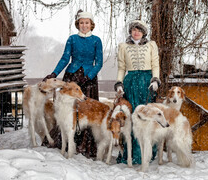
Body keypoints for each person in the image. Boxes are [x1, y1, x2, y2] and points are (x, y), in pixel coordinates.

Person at [43, 10, 103, 158]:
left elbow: (99, 63)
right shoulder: (72, 39)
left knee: (86, 111)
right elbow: (65, 58)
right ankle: (65, 142)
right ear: (78, 24)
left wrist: (89, 76)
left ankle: (85, 146)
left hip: (89, 79)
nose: (84, 25)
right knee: (65, 111)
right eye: (81, 23)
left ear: (91, 24)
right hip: (72, 77)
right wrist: (54, 74)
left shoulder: (96, 40)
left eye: (87, 23)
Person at [114, 20, 161, 164]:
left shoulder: (151, 45)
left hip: (146, 83)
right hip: (131, 84)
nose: (136, 32)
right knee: (133, 117)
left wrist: (155, 80)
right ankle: (132, 154)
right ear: (130, 31)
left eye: (139, 30)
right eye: (134, 30)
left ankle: (147, 153)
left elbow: (155, 64)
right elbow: (122, 67)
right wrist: (119, 84)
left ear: (143, 32)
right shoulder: (123, 47)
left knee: (147, 116)